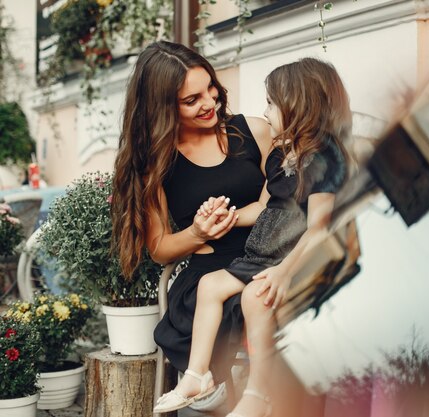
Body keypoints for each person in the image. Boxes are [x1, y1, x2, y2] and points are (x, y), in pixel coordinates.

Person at [153, 57, 352, 416]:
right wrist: (216, 220)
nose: (265, 112)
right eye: (192, 99)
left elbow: (320, 226)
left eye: (272, 103)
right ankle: (197, 374)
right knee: (209, 287)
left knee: (253, 298)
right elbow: (265, 206)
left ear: (298, 106)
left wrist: (284, 270)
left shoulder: (321, 157)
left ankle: (256, 395)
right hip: (259, 251)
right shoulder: (288, 155)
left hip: (283, 256)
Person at [110, 40, 273, 404]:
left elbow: (288, 194)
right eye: (192, 100)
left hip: (269, 256)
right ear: (161, 107)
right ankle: (222, 388)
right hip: (208, 274)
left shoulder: (254, 132)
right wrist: (197, 232)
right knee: (239, 299)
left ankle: (242, 392)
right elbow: (160, 249)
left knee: (261, 293)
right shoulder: (157, 164)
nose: (210, 103)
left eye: (210, 89)